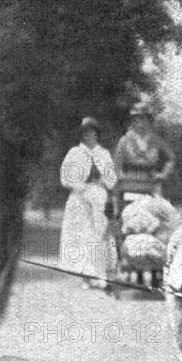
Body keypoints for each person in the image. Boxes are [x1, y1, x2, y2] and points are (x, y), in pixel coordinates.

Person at [59, 117, 117, 290]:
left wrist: (104, 182)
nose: (90, 135)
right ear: (82, 135)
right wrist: (80, 186)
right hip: (79, 197)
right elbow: (65, 178)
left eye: (93, 132)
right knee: (81, 235)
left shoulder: (103, 153)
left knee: (100, 234)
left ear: (97, 134)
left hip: (98, 196)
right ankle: (85, 275)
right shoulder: (75, 153)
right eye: (86, 132)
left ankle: (101, 275)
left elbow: (112, 178)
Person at [113, 102, 175, 198]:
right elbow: (117, 161)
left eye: (144, 119)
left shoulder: (156, 140)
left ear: (150, 120)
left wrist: (163, 174)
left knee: (160, 209)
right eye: (137, 119)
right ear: (132, 121)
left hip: (152, 183)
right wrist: (120, 175)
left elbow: (171, 158)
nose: (141, 123)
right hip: (129, 183)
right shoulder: (125, 140)